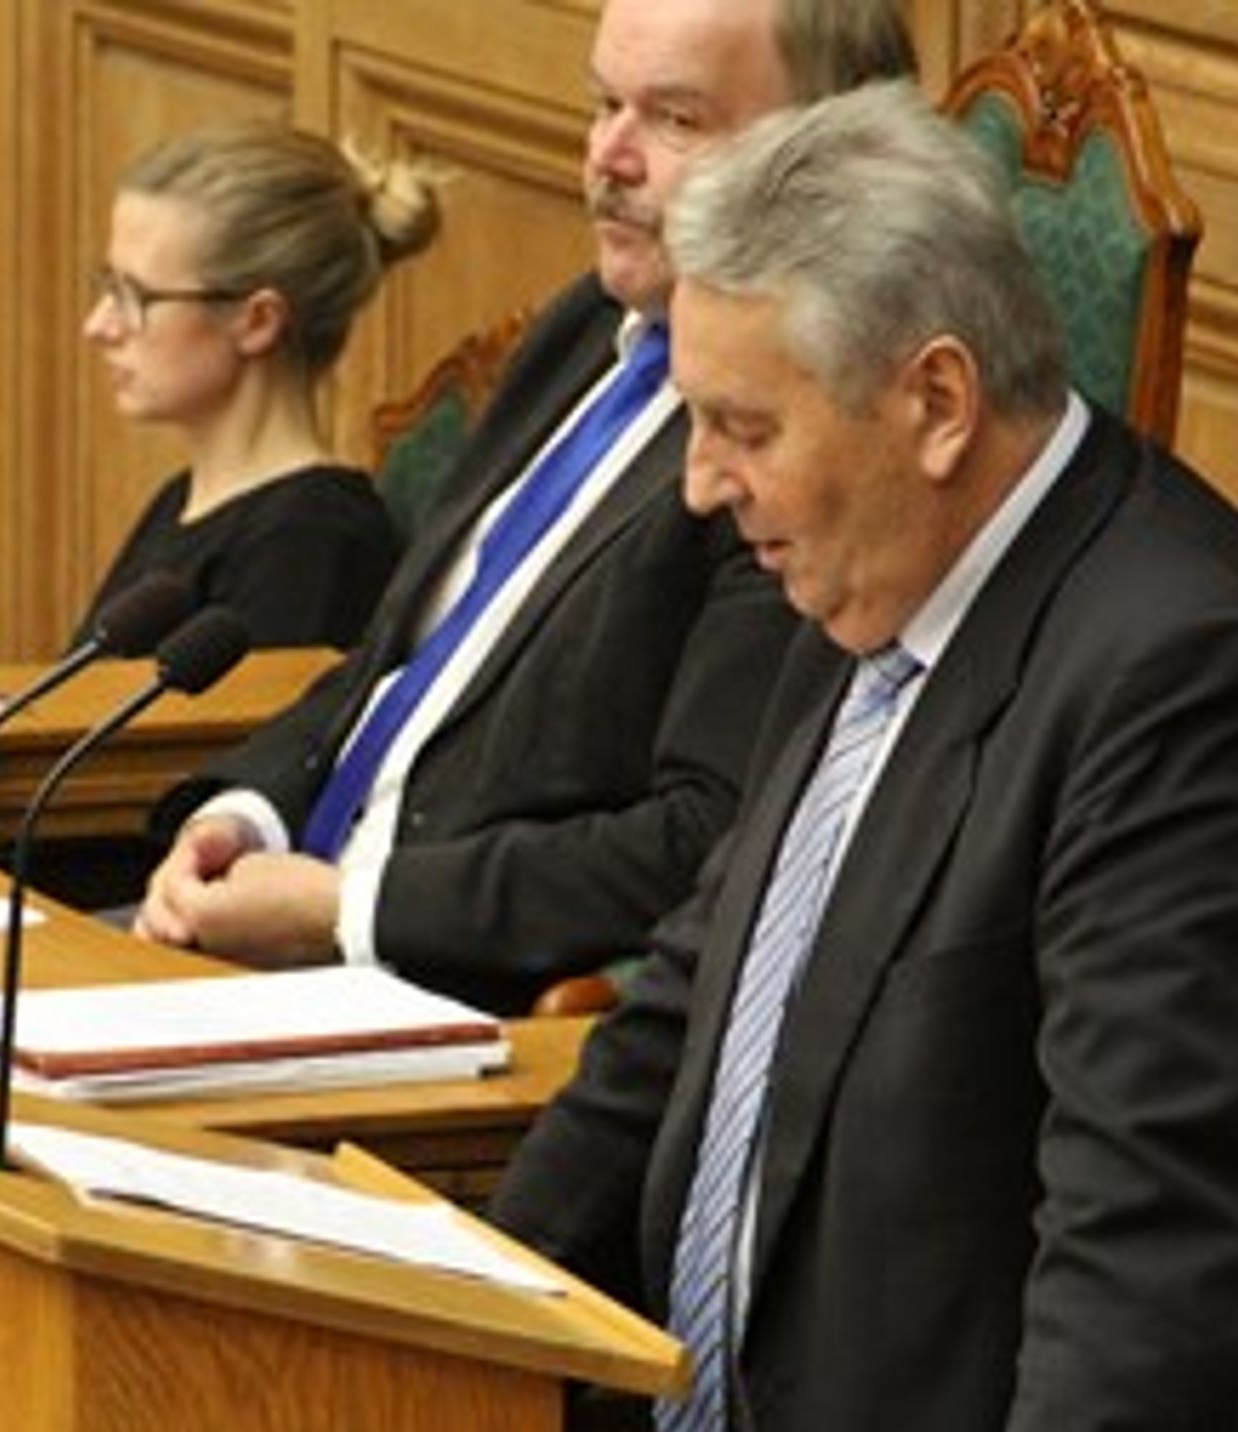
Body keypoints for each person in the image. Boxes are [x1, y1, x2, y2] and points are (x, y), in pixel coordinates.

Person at [490, 81, 1238, 1432]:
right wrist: (473, 1322)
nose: (698, 482)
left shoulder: (1189, 685)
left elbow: (1145, 1283)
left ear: (936, 402)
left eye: (742, 426)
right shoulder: (873, 565)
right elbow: (692, 1003)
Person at [134, 0, 919, 1017]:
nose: (608, 158)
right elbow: (399, 665)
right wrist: (244, 817)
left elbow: (705, 836)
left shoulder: (799, 447)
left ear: (831, 152)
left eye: (675, 120)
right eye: (602, 105)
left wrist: (350, 907)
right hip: (279, 932)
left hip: (450, 1007)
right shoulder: (594, 324)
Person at [75, 122, 435, 652]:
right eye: (107, 286)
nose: (98, 325)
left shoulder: (312, 544)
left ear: (257, 322)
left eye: (136, 296)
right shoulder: (180, 500)